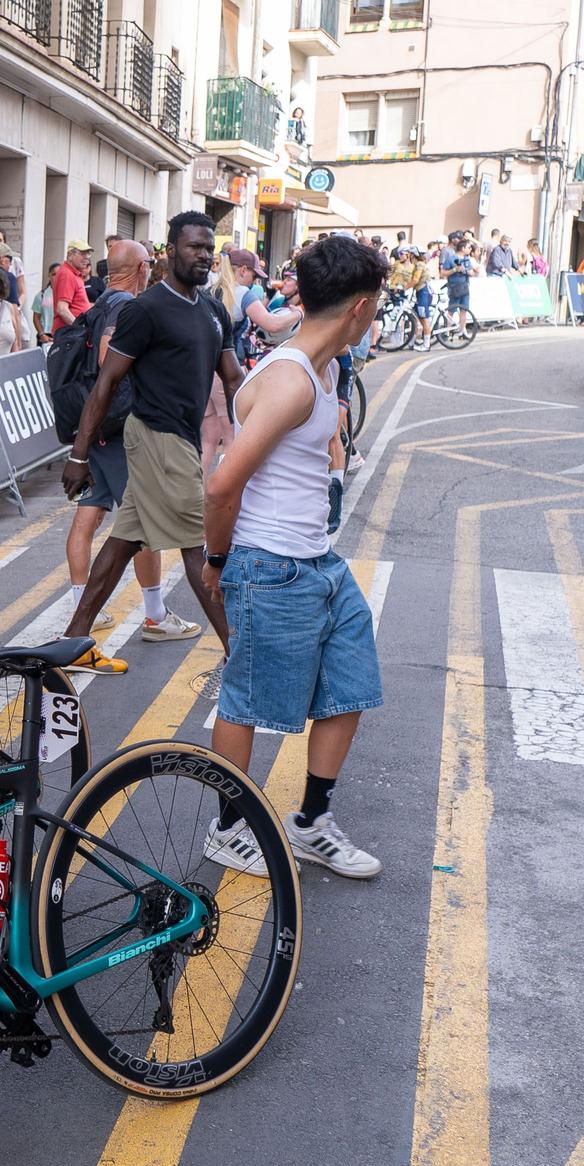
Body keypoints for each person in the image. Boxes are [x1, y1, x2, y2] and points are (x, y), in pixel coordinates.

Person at [200, 235, 389, 880]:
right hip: (269, 564)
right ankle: (227, 829)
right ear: (361, 308)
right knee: (249, 701)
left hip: (316, 560)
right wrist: (218, 562)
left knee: (351, 683)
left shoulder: (325, 364)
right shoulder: (290, 381)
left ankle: (310, 822)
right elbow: (224, 483)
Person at [55, 213, 235, 674]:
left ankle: (75, 639)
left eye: (208, 247)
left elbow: (233, 377)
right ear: (170, 252)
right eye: (194, 246)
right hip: (155, 435)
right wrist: (79, 454)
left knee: (124, 540)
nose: (203, 255)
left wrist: (261, 430)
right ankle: (240, 651)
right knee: (197, 542)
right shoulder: (145, 309)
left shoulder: (213, 310)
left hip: (182, 439)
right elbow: (105, 384)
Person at [53, 238, 94, 331]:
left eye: (88, 253)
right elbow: (62, 309)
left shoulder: (73, 274)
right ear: (70, 255)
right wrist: (80, 330)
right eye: (83, 253)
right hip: (69, 335)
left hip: (71, 334)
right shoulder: (67, 274)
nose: (87, 257)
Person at [440, 232, 473, 341]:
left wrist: (464, 270)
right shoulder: (451, 259)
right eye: (468, 247)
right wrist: (454, 270)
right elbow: (443, 273)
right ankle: (447, 332)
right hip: (454, 287)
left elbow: (472, 272)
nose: (470, 250)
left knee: (464, 310)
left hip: (464, 287)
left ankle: (462, 331)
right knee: (451, 310)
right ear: (463, 248)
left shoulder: (467, 259)